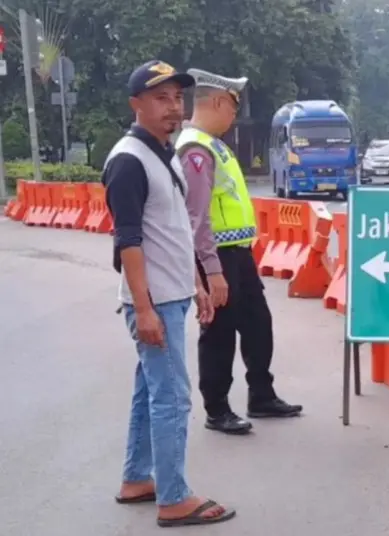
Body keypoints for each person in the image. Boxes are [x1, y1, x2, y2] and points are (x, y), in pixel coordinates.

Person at [103, 59, 235, 527]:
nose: (172, 107)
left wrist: (195, 283)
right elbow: (129, 241)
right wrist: (144, 309)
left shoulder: (163, 152)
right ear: (136, 104)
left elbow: (174, 230)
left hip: (171, 294)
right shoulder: (128, 160)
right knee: (173, 397)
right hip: (153, 301)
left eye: (177, 98)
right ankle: (174, 496)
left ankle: (138, 477)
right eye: (160, 98)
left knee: (149, 391)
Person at [176, 68, 303, 435]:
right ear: (216, 102)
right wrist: (211, 271)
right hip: (217, 256)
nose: (234, 116)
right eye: (232, 107)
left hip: (238, 254)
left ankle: (261, 394)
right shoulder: (196, 150)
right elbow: (195, 218)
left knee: (257, 324)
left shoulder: (214, 145)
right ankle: (217, 409)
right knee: (218, 333)